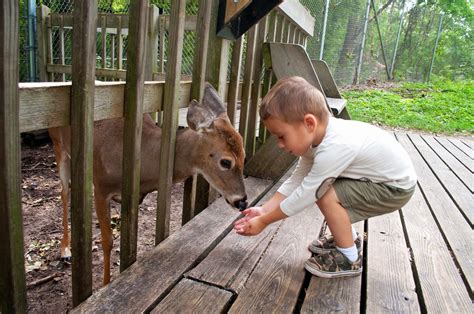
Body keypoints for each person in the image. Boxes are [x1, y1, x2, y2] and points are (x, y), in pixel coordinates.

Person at [234, 76, 417, 278]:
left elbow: (308, 193)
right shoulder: (317, 140)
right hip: (379, 180)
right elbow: (297, 179)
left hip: (394, 188)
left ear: (309, 123)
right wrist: (264, 209)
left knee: (325, 194)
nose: (279, 144)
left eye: (281, 136)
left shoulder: (334, 146)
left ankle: (348, 259)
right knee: (325, 189)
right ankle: (348, 239)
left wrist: (265, 221)